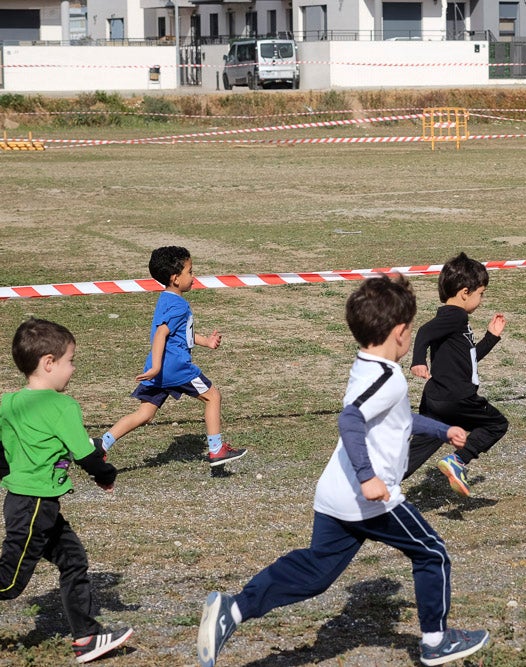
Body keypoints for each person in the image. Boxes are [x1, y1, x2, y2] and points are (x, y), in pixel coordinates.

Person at [197, 275, 489, 667]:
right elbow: (350, 420)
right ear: (400, 333)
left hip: (335, 494)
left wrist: (442, 430)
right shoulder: (389, 379)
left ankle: (232, 611)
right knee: (431, 552)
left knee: (316, 572)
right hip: (370, 500)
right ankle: (436, 641)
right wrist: (368, 478)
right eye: (410, 327)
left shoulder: (367, 365)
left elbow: (396, 420)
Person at [0, 318, 133, 663]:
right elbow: (86, 454)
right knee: (9, 583)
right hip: (33, 507)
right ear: (49, 362)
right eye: (70, 361)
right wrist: (106, 474)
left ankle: (87, 638)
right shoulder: (62, 407)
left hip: (32, 505)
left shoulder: (8, 403)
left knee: (73, 560)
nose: (73, 369)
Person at [95, 246, 246, 467]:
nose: (193, 277)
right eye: (190, 272)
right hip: (175, 368)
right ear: (175, 278)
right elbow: (161, 334)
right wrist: (157, 366)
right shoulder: (179, 306)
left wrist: (206, 341)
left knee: (145, 414)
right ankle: (216, 450)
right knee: (213, 397)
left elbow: (181, 333)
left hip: (159, 371)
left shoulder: (165, 299)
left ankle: (102, 443)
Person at [406, 252, 508, 497]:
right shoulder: (456, 316)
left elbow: (468, 359)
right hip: (457, 397)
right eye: (480, 293)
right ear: (465, 292)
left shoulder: (452, 320)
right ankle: (458, 460)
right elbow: (424, 332)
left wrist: (491, 338)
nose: (481, 300)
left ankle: (375, 485)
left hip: (436, 397)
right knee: (496, 424)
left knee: (418, 449)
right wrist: (418, 360)